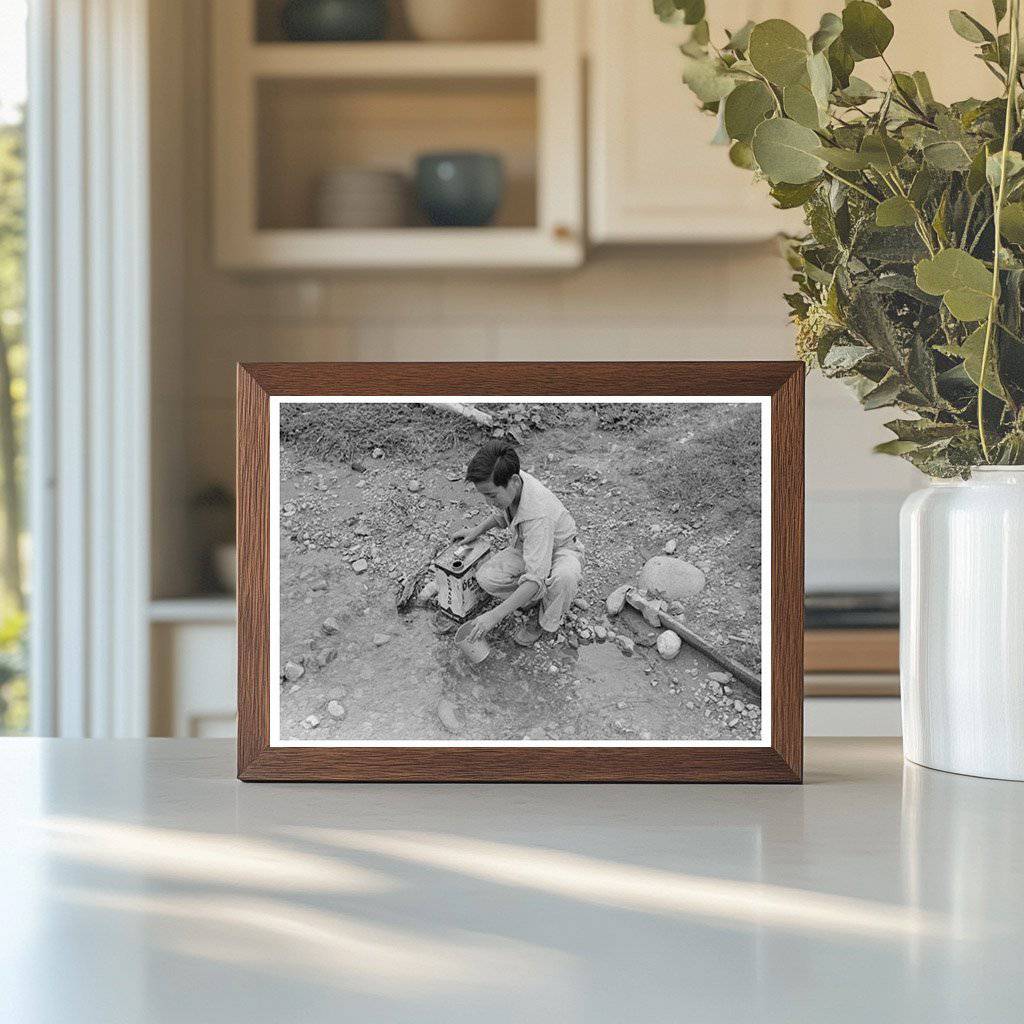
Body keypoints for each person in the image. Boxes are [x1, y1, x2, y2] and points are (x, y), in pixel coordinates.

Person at [453, 440, 584, 646]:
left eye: (491, 495)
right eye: (484, 495)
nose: (489, 502)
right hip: (529, 545)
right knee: (487, 577)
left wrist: (493, 617)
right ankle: (535, 599)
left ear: (513, 481)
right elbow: (501, 515)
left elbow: (534, 578)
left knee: (564, 577)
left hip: (561, 550)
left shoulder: (538, 514)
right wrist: (477, 530)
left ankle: (544, 620)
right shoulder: (513, 482)